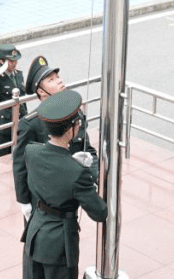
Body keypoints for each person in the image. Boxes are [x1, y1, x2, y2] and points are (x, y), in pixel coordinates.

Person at [21, 90, 107, 279]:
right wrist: (80, 171)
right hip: (59, 245)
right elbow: (99, 212)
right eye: (77, 124)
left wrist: (69, 160)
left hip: (35, 234)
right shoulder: (77, 173)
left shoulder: (31, 152)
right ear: (70, 130)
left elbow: (52, 166)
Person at [13, 56, 97, 212]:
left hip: (70, 196)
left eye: (57, 77)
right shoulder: (31, 124)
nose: (59, 81)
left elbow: (87, 149)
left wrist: (95, 176)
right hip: (43, 202)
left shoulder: (75, 114)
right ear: (41, 92)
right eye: (51, 80)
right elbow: (20, 165)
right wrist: (23, 201)